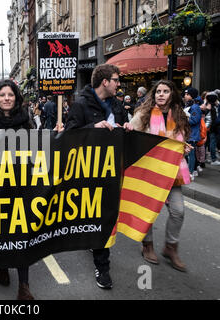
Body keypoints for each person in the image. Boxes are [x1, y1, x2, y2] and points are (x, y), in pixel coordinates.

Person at [60, 64, 132, 289]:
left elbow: (123, 129)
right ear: (105, 82)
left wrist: (128, 128)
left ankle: (95, 243)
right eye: (116, 80)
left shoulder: (118, 106)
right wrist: (93, 127)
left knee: (105, 218)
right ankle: (103, 268)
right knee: (98, 217)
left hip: (112, 172)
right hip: (89, 172)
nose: (118, 84)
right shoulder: (80, 105)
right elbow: (69, 136)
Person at [129, 80, 192, 272]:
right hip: (148, 173)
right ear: (153, 94)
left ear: (172, 94)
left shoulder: (180, 115)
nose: (161, 94)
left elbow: (182, 141)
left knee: (178, 211)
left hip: (172, 173)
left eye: (165, 91)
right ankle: (147, 244)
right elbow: (131, 136)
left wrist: (185, 149)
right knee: (147, 211)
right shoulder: (143, 114)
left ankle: (170, 247)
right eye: (158, 91)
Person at [0, 79, 35, 300]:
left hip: (21, 183)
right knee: (0, 229)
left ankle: (24, 285)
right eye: (3, 95)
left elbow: (38, 145)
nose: (6, 98)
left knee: (21, 231)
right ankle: (2, 265)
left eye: (10, 95)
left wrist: (57, 133)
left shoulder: (26, 120)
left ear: (16, 98)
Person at [183, 87, 202, 180]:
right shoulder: (190, 105)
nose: (185, 96)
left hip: (192, 134)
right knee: (189, 154)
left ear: (191, 96)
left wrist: (184, 118)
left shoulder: (195, 107)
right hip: (188, 133)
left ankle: (190, 172)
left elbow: (194, 120)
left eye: (187, 94)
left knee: (191, 155)